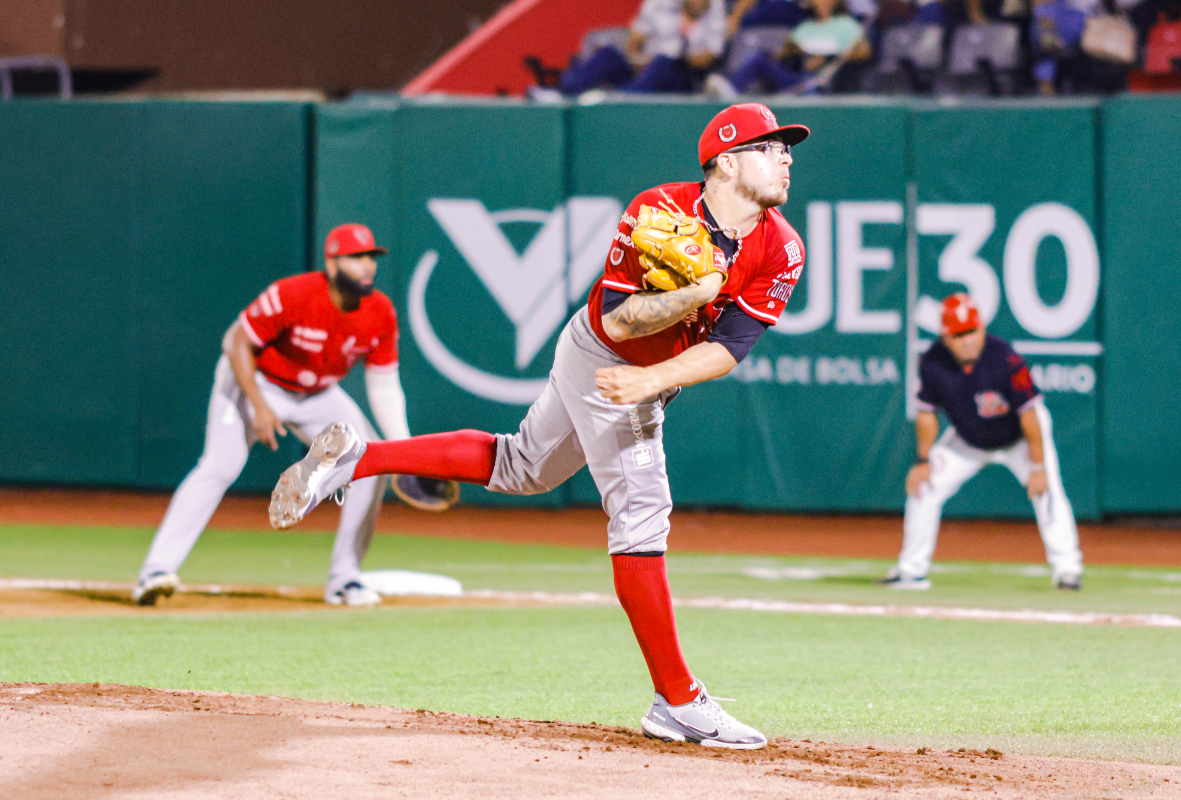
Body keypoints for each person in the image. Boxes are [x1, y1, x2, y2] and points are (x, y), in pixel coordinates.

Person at [268, 103, 810, 750]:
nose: (787, 157)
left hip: (643, 380)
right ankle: (677, 699)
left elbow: (729, 349)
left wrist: (656, 380)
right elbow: (617, 323)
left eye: (786, 148)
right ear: (725, 160)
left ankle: (362, 457)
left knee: (519, 467)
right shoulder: (659, 208)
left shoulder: (783, 247)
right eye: (770, 147)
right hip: (603, 359)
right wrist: (689, 301)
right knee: (642, 510)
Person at [131, 224, 421, 608]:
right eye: (356, 257)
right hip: (255, 380)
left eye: (371, 257)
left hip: (318, 393)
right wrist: (260, 406)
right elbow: (238, 343)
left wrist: (402, 449)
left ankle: (345, 578)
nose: (367, 265)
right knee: (220, 467)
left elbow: (383, 385)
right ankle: (155, 571)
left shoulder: (380, 311)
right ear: (332, 265)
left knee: (368, 465)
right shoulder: (295, 293)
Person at [883, 293, 1084, 591]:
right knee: (923, 486)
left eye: (971, 331)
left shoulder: (1004, 357)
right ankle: (911, 570)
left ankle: (1068, 568)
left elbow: (1030, 414)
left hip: (1019, 438)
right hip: (969, 440)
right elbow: (926, 414)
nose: (967, 340)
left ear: (983, 327)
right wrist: (922, 461)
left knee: (1048, 490)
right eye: (958, 334)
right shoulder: (933, 362)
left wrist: (1038, 466)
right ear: (945, 337)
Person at [559, 0, 726, 95]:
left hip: (681, 77)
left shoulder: (716, 7)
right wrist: (638, 60)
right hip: (645, 67)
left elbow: (709, 56)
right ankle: (563, 93)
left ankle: (613, 101)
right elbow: (634, 39)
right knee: (608, 54)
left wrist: (676, 60)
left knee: (663, 64)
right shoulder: (661, 3)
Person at [707, 0, 870, 96]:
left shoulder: (846, 25)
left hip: (825, 83)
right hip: (798, 78)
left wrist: (827, 57)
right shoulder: (806, 26)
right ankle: (731, 89)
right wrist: (800, 54)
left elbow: (864, 51)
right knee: (762, 59)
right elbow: (785, 53)